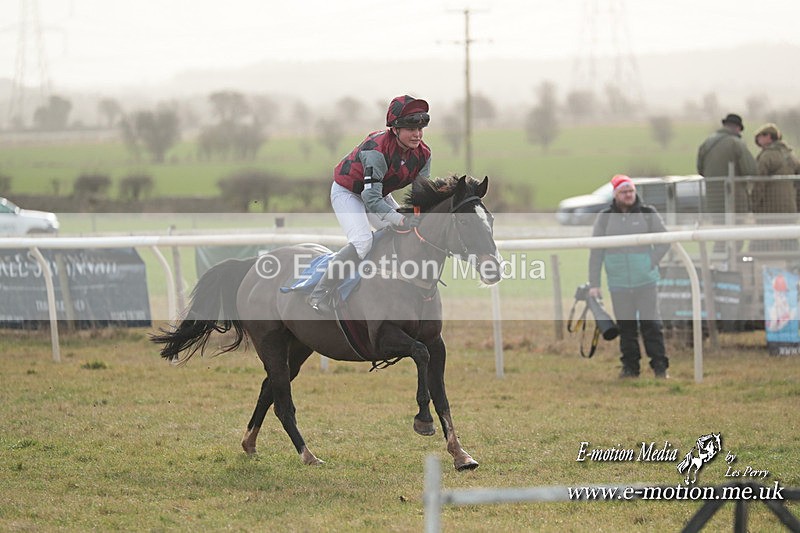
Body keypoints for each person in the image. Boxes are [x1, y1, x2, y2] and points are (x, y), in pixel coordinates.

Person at [308, 95, 432, 313]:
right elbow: (370, 199)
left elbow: (419, 195)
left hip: (377, 193)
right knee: (363, 242)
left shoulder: (424, 154)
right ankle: (320, 293)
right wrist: (400, 217)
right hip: (348, 192)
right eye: (411, 129)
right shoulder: (376, 150)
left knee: (401, 233)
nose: (417, 134)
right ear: (395, 129)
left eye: (421, 128)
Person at [588, 175, 671, 378]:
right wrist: (594, 283)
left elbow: (665, 240)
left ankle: (660, 367)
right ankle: (630, 368)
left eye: (631, 191)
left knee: (651, 325)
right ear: (615, 194)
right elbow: (596, 251)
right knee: (626, 328)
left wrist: (650, 261)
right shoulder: (605, 217)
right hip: (618, 283)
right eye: (624, 192)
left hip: (646, 281)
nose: (628, 195)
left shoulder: (647, 213)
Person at [696, 113, 757, 223]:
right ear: (738, 128)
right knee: (736, 235)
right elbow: (750, 170)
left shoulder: (707, 143)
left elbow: (700, 169)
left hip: (713, 199)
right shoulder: (737, 143)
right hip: (735, 199)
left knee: (719, 234)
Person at [750, 123, 800, 251]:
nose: (758, 140)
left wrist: (754, 205)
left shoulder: (767, 156)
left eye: (760, 137)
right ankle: (795, 267)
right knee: (789, 241)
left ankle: (760, 269)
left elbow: (758, 183)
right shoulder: (791, 156)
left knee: (762, 241)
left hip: (770, 209)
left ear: (768, 137)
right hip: (790, 208)